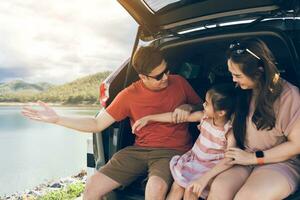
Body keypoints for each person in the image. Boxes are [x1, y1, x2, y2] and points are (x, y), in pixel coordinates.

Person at [22, 46, 202, 200]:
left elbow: (204, 107)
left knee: (155, 188)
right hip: (139, 150)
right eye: (158, 76)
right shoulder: (129, 95)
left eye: (166, 70)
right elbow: (96, 124)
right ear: (143, 77)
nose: (165, 77)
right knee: (93, 185)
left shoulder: (179, 82)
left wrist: (188, 106)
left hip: (173, 150)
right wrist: (58, 119)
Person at [207, 38, 300, 200]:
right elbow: (214, 106)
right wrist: (188, 108)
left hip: (279, 162)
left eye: (237, 75)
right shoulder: (242, 90)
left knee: (247, 197)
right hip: (244, 159)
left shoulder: (289, 96)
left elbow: (296, 145)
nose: (233, 80)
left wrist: (253, 158)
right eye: (231, 74)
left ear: (259, 71)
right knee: (219, 190)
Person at [132, 84, 237, 200]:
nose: (203, 105)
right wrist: (149, 118)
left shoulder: (229, 131)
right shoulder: (204, 117)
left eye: (207, 104)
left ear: (221, 113)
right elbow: (174, 117)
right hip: (194, 162)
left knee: (190, 192)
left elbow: (229, 159)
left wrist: (205, 178)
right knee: (176, 187)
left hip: (210, 169)